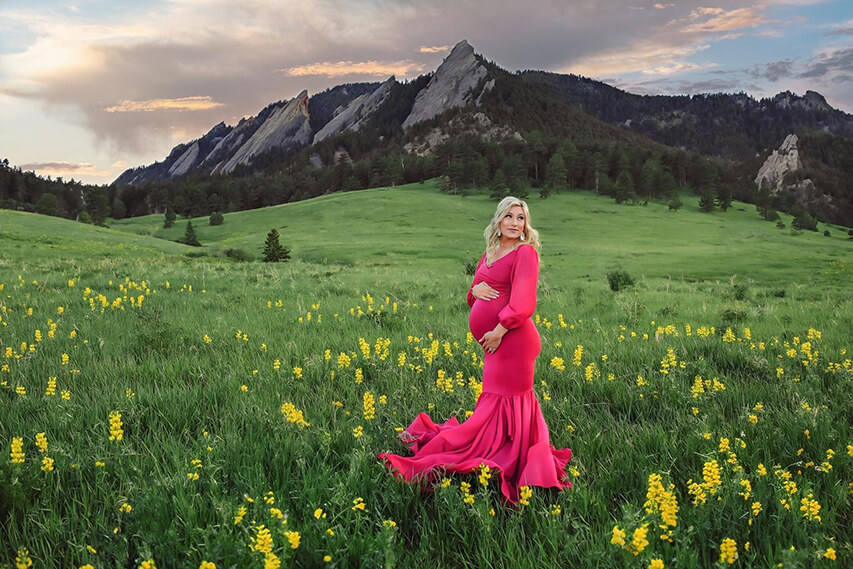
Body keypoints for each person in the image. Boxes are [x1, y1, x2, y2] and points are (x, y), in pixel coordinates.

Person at [379, 196, 572, 503]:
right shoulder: (491, 252)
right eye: (508, 216)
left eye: (520, 218)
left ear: (526, 224)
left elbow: (523, 301)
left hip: (514, 341)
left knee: (508, 399)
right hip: (495, 344)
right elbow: (476, 291)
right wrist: (473, 291)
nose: (514, 222)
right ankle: (495, 447)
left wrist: (498, 330)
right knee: (494, 399)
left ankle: (514, 458)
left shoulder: (525, 253)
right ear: (498, 220)